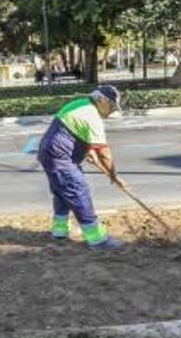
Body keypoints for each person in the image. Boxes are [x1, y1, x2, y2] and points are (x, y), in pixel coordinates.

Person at [37, 85, 124, 250]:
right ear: (101, 100)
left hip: (50, 154)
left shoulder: (79, 104)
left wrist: (88, 150)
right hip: (61, 159)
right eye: (112, 106)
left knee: (63, 192)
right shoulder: (93, 116)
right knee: (78, 192)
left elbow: (74, 131)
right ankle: (97, 240)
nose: (112, 111)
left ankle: (60, 231)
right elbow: (104, 153)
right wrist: (114, 175)